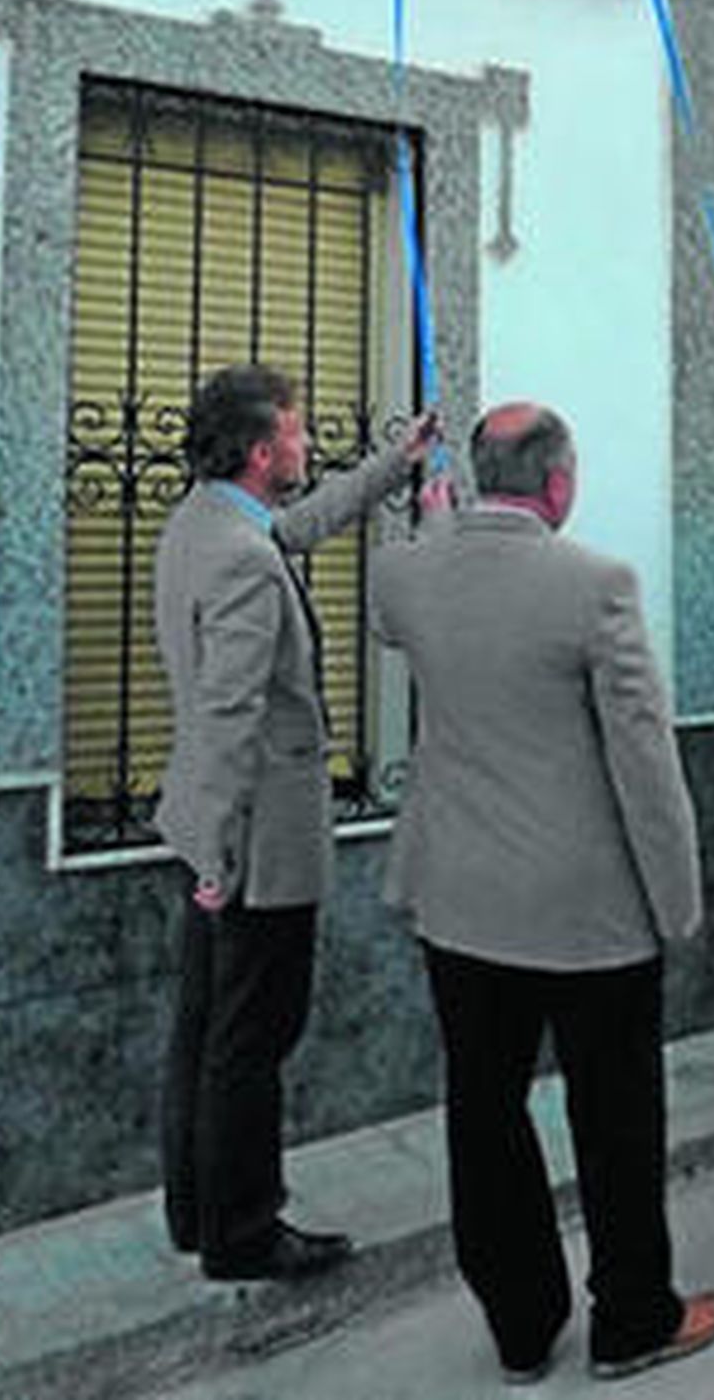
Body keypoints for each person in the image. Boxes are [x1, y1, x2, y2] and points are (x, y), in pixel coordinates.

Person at [369, 402, 714, 1385]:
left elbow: (401, 619)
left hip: (457, 898)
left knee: (482, 1116)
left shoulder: (405, 570)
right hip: (588, 909)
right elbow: (644, 759)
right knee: (615, 1120)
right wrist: (677, 900)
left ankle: (521, 1330)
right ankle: (631, 1318)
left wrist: (435, 522)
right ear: (559, 483)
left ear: (480, 476)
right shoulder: (594, 584)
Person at [154, 364, 438, 1282]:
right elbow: (234, 714)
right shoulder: (239, 555)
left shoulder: (208, 522)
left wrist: (397, 465)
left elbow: (303, 526)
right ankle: (246, 1231)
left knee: (207, 1029)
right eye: (297, 432)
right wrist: (220, 853)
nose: (307, 443)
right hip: (255, 844)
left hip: (212, 829)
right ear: (259, 448)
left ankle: (198, 1213)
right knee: (252, 1039)